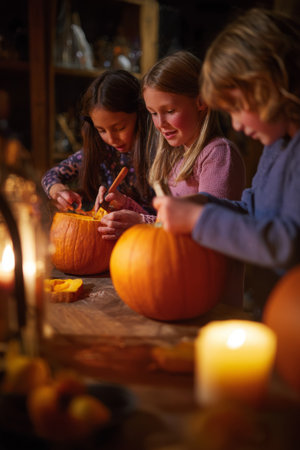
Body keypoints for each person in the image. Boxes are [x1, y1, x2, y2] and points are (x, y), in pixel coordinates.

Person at [153, 8, 300, 314]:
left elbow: (286, 243)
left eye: (236, 107)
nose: (234, 124)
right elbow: (251, 210)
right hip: (267, 312)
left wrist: (197, 221)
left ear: (271, 86)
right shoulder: (275, 146)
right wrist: (201, 204)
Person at [98, 51, 245, 243]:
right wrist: (125, 205)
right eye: (153, 113)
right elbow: (164, 223)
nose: (161, 124)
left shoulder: (218, 154)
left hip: (206, 271)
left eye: (169, 111)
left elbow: (208, 230)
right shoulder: (177, 157)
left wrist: (142, 224)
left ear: (201, 102)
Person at [41, 69, 155, 213]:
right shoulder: (102, 150)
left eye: (119, 128)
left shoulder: (157, 152)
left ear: (139, 114)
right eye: (101, 130)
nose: (112, 139)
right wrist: (59, 191)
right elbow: (50, 175)